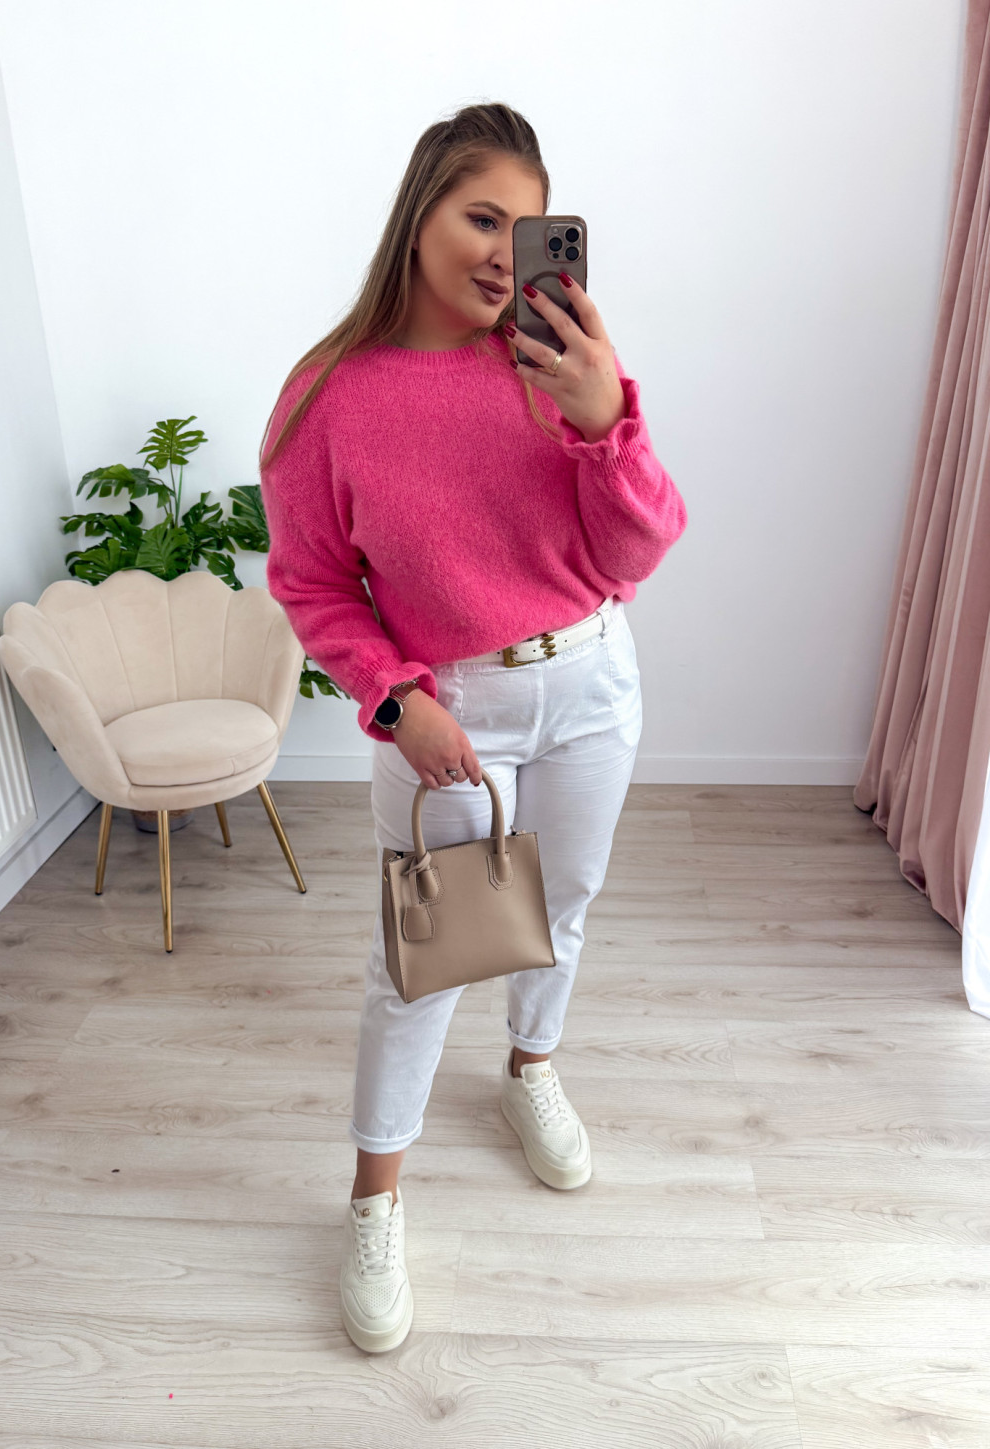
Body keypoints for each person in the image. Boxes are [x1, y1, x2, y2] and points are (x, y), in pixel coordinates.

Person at [258, 102, 687, 1354]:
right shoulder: (328, 395)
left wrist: (606, 420)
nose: (505, 253)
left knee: (562, 909)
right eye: (481, 217)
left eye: (527, 227)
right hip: (449, 712)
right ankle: (374, 1201)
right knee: (422, 963)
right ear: (421, 214)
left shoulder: (558, 366)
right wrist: (398, 701)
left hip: (593, 680)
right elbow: (311, 583)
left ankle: (530, 1071)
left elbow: (638, 551)